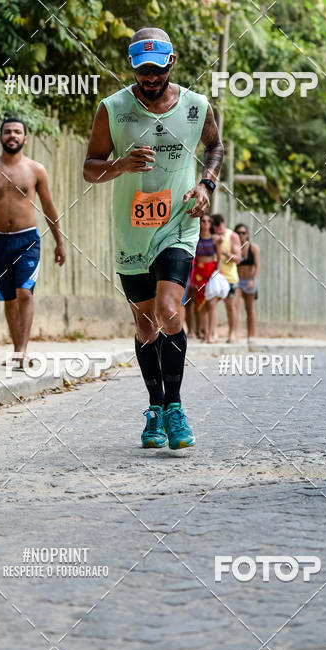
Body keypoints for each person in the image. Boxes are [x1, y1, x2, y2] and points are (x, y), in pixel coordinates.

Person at [83, 26, 223, 449]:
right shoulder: (113, 108)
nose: (149, 79)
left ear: (172, 63)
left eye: (157, 71)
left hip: (179, 224)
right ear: (132, 67)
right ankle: (155, 407)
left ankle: (176, 408)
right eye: (142, 71)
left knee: (167, 309)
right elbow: (90, 166)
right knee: (145, 325)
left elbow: (216, 148)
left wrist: (206, 186)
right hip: (131, 229)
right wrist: (121, 166)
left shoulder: (198, 107)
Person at [0, 117, 66, 368]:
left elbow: (49, 208)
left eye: (17, 132)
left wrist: (59, 242)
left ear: (25, 138)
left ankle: (23, 350)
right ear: (0, 137)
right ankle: (15, 349)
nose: (13, 135)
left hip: (27, 241)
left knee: (25, 293)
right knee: (9, 297)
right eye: (8, 132)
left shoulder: (36, 170)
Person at [210, 213, 241, 342]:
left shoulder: (233, 236)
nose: (216, 231)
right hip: (214, 276)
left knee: (230, 307)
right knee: (211, 305)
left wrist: (225, 253)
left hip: (229, 277)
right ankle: (213, 334)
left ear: (222, 224)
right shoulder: (211, 236)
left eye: (217, 227)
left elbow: (238, 259)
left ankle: (232, 333)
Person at [192, 212, 221, 343]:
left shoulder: (215, 239)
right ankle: (206, 332)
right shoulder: (195, 238)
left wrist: (217, 272)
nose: (206, 223)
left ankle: (213, 333)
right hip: (199, 272)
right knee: (201, 304)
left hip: (211, 271)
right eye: (203, 221)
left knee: (212, 304)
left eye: (209, 221)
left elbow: (219, 258)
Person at [234, 223, 260, 339]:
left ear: (247, 234)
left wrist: (253, 280)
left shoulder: (253, 248)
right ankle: (235, 334)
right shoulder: (234, 248)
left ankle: (251, 335)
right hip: (238, 281)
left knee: (249, 309)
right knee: (236, 307)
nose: (241, 235)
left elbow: (257, 265)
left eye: (243, 233)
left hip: (249, 280)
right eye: (238, 233)